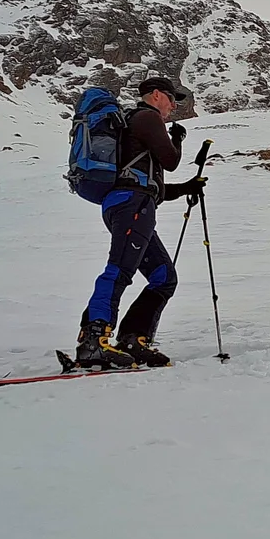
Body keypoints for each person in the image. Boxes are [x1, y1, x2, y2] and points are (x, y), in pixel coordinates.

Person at [75, 75, 206, 369]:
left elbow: (149, 184)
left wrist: (186, 187)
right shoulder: (146, 117)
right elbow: (169, 161)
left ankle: (134, 339)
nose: (173, 106)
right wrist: (177, 139)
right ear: (157, 95)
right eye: (172, 99)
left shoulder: (136, 124)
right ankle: (93, 340)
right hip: (131, 204)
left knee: (164, 276)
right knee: (120, 268)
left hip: (132, 202)